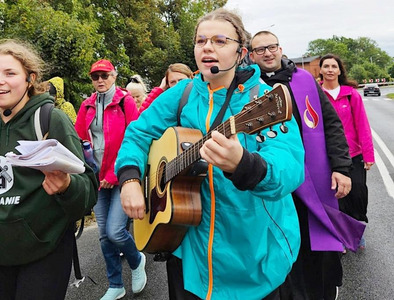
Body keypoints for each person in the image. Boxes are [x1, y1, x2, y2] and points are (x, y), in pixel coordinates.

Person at [116, 8, 305, 300]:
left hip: (255, 259)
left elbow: (289, 168)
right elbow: (138, 133)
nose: (207, 47)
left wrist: (245, 165)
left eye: (219, 41)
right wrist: (129, 179)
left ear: (241, 51)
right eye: (200, 40)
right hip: (189, 254)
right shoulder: (184, 94)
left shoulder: (265, 102)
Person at [0, 39, 98, 300]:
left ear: (30, 78)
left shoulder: (50, 119)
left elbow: (88, 191)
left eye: (10, 73)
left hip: (44, 249)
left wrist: (67, 186)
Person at [249, 31, 365, 300]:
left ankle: (323, 289)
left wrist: (341, 168)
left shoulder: (304, 81)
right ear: (251, 55)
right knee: (279, 239)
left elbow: (332, 125)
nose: (267, 53)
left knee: (317, 237)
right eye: (260, 49)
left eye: (272, 47)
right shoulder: (248, 87)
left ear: (280, 49)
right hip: (272, 175)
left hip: (312, 175)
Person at [74, 59, 145, 300]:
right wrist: (89, 173)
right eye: (96, 77)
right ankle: (115, 284)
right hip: (97, 179)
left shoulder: (125, 102)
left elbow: (134, 139)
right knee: (104, 235)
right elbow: (80, 141)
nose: (100, 80)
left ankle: (136, 260)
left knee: (116, 231)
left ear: (114, 76)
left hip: (121, 177)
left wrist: (115, 174)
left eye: (105, 75)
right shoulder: (86, 106)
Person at [319, 53, 375, 249]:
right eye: (326, 66)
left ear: (339, 70)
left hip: (354, 154)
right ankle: (341, 236)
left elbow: (363, 125)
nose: (330, 70)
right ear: (320, 70)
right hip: (328, 156)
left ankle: (357, 230)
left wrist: (368, 155)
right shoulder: (316, 93)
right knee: (336, 197)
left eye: (334, 66)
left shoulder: (351, 94)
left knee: (358, 193)